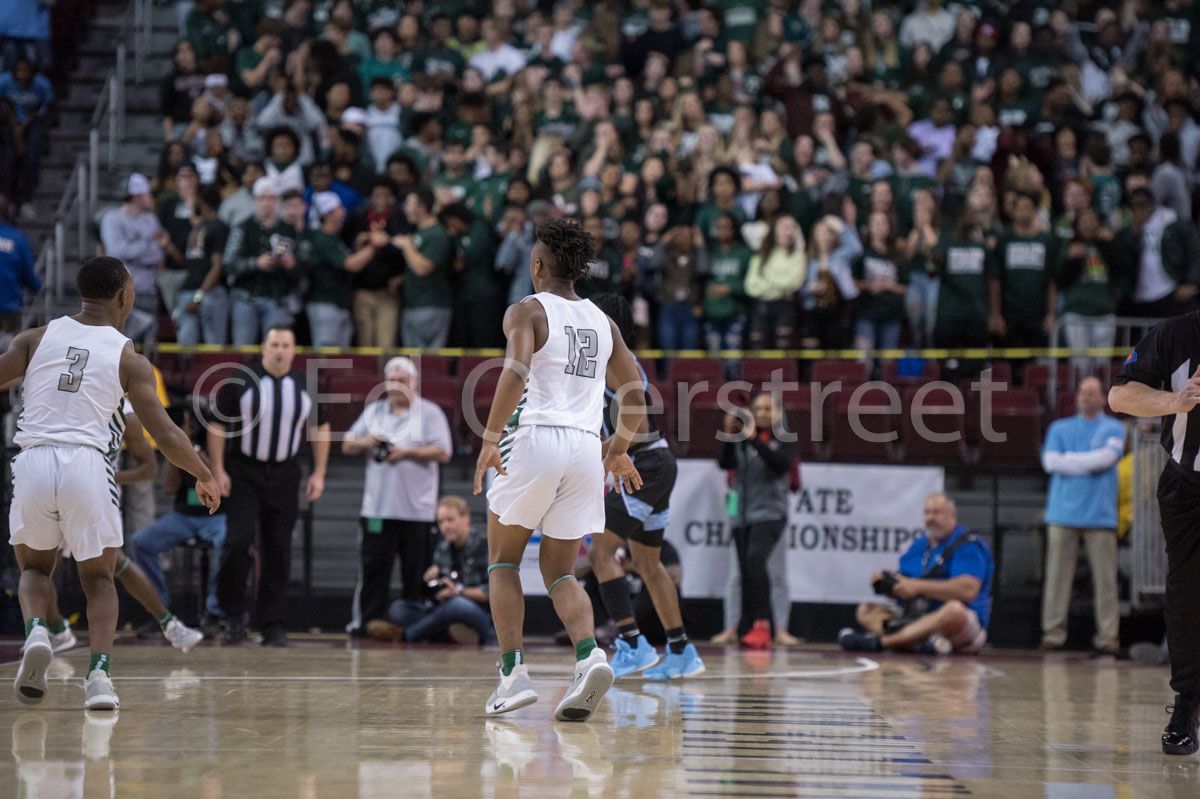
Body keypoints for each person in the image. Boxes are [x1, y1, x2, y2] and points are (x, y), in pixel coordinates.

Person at [2, 255, 220, 710]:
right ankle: (99, 677)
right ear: (124, 295)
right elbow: (165, 432)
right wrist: (203, 473)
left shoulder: (33, 339)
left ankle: (37, 632)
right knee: (100, 578)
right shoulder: (128, 357)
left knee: (34, 570)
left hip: (34, 459)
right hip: (87, 462)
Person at [473, 218, 645, 721]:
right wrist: (617, 447)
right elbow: (635, 394)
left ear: (539, 265)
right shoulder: (602, 321)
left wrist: (488, 438)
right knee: (560, 570)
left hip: (534, 440)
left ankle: (512, 676)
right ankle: (590, 655)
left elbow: (517, 371)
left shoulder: (526, 310)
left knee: (503, 562)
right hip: (585, 450)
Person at [585, 293, 705, 681]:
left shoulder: (615, 365)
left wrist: (590, 452)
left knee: (601, 551)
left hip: (645, 463)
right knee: (650, 566)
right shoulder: (615, 362)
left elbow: (633, 429)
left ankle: (632, 643)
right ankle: (682, 651)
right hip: (654, 462)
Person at [1109, 311, 1200, 754]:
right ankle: (1187, 704)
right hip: (1189, 485)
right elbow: (1119, 396)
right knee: (1186, 597)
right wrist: (1175, 401)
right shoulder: (1175, 333)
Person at [208, 325, 329, 647]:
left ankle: (272, 622)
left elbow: (321, 426)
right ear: (263, 347)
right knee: (237, 542)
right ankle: (233, 615)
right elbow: (218, 425)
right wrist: (217, 469)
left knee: (278, 549)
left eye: (286, 345)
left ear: (293, 350)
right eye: (274, 344)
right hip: (244, 470)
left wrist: (319, 473)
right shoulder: (241, 379)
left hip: (285, 474)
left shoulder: (306, 384)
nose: (279, 350)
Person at [342, 356, 453, 637]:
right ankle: (367, 623)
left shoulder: (429, 413)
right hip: (378, 509)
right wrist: (368, 440)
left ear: (414, 382)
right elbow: (347, 444)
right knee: (373, 571)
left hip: (418, 511)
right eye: (393, 380)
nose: (399, 385)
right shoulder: (375, 412)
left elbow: (443, 451)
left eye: (404, 380)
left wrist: (406, 452)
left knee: (417, 574)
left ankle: (418, 627)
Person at [838, 492, 993, 655]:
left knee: (954, 611)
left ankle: (883, 642)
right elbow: (906, 588)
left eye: (937, 512)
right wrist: (890, 584)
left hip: (953, 623)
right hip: (916, 618)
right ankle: (921, 643)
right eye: (927, 513)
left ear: (952, 516)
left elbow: (967, 590)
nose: (930, 517)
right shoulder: (919, 546)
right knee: (866, 609)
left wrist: (917, 587)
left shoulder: (967, 544)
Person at [1039, 377, 1125, 655]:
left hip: (1100, 517)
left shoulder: (1115, 427)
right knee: (1056, 579)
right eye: (1083, 392)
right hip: (1061, 514)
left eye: (1092, 393)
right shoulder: (1059, 428)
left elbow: (1107, 459)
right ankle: (1053, 635)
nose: (1086, 396)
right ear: (1076, 397)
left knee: (1106, 582)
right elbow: (1050, 462)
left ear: (1103, 398)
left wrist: (1070, 461)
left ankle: (1108, 638)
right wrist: (1089, 461)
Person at [127, 403, 226, 636]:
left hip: (216, 516)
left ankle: (214, 612)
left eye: (189, 422)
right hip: (183, 516)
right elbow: (169, 488)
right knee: (141, 541)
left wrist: (197, 452)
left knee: (228, 542)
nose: (187, 426)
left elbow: (220, 483)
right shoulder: (180, 446)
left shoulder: (219, 441)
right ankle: (160, 611)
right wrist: (179, 450)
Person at [718, 393, 798, 650]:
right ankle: (746, 626)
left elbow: (781, 465)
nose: (762, 413)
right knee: (745, 571)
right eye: (757, 408)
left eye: (767, 408)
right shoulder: (742, 440)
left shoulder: (785, 439)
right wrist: (730, 435)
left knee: (756, 560)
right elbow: (724, 463)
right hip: (742, 515)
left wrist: (754, 439)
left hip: (770, 513)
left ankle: (764, 625)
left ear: (778, 413)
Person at [369, 496, 494, 645]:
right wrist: (430, 581)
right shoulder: (442, 549)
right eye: (441, 521)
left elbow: (491, 592)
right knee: (398, 608)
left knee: (457, 604)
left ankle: (406, 636)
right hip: (444, 610)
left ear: (466, 518)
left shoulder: (484, 546)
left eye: (450, 520)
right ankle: (450, 633)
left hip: (477, 613)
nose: (445, 526)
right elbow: (434, 595)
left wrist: (459, 591)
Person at [222, 176, 300, 345]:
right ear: (255, 200)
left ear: (277, 200)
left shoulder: (288, 230)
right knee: (243, 352)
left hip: (276, 298)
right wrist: (255, 263)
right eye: (262, 198)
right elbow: (228, 264)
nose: (267, 203)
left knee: (276, 349)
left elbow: (301, 267)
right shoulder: (242, 228)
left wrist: (291, 265)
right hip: (245, 299)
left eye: (271, 198)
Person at [99, 173, 167, 348]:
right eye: (148, 193)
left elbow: (158, 254)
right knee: (119, 347)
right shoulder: (112, 219)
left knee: (148, 350)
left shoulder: (151, 220)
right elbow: (117, 251)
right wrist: (147, 246)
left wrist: (133, 249)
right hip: (121, 293)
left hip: (147, 292)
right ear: (138, 195)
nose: (150, 198)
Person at [0, 194, 39, 349]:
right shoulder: (17, 238)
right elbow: (30, 279)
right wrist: (38, 286)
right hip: (9, 314)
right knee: (9, 364)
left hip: (9, 313)